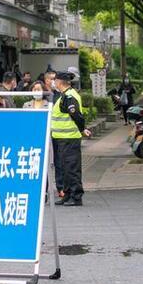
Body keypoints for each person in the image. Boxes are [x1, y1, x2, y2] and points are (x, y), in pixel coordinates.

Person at [51, 70, 91, 207]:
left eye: (54, 80)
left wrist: (81, 129)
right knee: (64, 168)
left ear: (59, 82)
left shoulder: (69, 96)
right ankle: (67, 194)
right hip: (62, 138)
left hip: (69, 138)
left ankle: (76, 197)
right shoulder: (64, 95)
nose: (53, 82)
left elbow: (77, 116)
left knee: (71, 169)